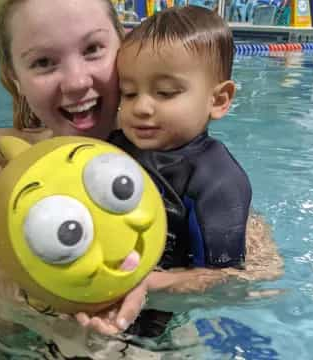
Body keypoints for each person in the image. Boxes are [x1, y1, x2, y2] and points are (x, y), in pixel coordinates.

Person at [0, 0, 283, 358]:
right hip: (23, 322)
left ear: (122, 47)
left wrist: (145, 287)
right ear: (14, 76)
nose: (76, 82)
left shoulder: (163, 147)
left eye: (92, 49)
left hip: (147, 325)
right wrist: (69, 301)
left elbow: (255, 273)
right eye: (43, 62)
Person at [86, 5, 253, 335]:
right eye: (129, 93)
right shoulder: (113, 147)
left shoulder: (218, 180)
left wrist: (146, 283)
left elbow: (225, 278)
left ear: (218, 100)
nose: (141, 107)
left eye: (165, 93)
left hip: (159, 314)